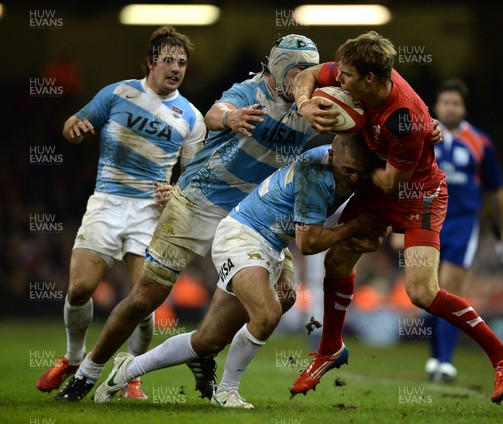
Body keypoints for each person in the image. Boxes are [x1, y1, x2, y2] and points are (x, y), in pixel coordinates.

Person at [54, 34, 324, 402]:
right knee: (145, 298)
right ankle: (88, 372)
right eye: (297, 72)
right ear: (278, 69)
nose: (303, 81)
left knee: (283, 296)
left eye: (310, 73)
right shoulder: (250, 91)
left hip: (254, 215)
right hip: (198, 201)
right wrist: (231, 117)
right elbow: (215, 114)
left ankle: (202, 350)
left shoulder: (317, 104)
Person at [290, 31, 503, 404]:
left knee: (421, 292)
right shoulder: (358, 73)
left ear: (370, 78)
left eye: (348, 77)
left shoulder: (405, 119)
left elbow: (389, 181)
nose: (339, 80)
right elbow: (308, 75)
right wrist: (304, 103)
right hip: (382, 178)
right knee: (336, 261)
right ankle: (330, 349)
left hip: (419, 194)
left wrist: (351, 164)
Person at [93, 134, 388, 408]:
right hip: (243, 235)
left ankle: (129, 367)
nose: (354, 178)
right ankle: (226, 392)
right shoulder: (315, 172)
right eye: (349, 170)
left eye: (360, 172)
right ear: (332, 155)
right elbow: (309, 244)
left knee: (211, 338)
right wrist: (355, 228)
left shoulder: (348, 164)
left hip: (272, 244)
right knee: (267, 314)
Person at [37, 26, 205, 401]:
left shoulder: (191, 118)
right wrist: (75, 129)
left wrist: (177, 191)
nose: (175, 68)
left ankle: (130, 373)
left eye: (181, 62)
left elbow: (193, 177)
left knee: (142, 300)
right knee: (80, 287)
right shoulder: (118, 93)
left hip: (149, 214)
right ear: (149, 62)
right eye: (167, 60)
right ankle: (74, 357)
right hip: (107, 203)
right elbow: (71, 125)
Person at [422, 78, 503, 381]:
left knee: (448, 289)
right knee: (425, 291)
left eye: (456, 103)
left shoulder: (481, 142)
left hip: (462, 221)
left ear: (464, 108)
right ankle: (435, 356)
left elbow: (497, 190)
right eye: (445, 102)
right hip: (425, 220)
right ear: (436, 106)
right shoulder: (424, 137)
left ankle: (445, 362)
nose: (450, 108)